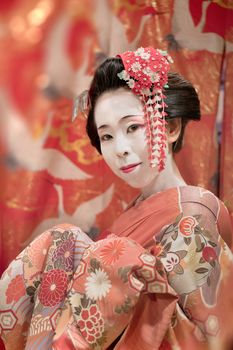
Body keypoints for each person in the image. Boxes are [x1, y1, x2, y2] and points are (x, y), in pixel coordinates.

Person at [0, 47, 233, 350]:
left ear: (171, 127)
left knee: (113, 253)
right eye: (107, 136)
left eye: (132, 127)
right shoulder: (130, 216)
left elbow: (213, 332)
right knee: (64, 241)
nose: (119, 148)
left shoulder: (196, 213)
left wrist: (123, 268)